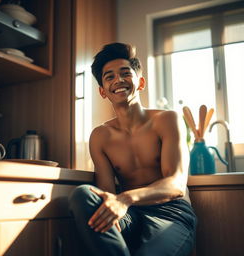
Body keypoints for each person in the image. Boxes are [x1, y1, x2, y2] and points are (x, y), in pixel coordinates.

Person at [69, 42, 197, 256]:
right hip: (129, 214)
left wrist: (125, 199)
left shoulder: (167, 119)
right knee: (82, 194)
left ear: (141, 82)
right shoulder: (100, 136)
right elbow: (107, 194)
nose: (118, 80)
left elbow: (176, 185)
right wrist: (115, 206)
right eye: (109, 76)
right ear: (102, 91)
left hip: (171, 214)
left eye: (125, 73)